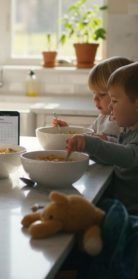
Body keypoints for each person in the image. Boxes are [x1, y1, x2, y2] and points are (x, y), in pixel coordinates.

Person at [66, 62, 138, 215]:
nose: (111, 107)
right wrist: (88, 149)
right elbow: (115, 159)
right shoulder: (130, 132)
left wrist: (93, 144)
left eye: (115, 101)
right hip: (121, 207)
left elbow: (129, 157)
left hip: (132, 215)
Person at [53, 56, 133, 142]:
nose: (95, 99)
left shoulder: (127, 121)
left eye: (102, 94)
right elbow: (88, 135)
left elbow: (129, 149)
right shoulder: (102, 118)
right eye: (94, 93)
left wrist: (105, 140)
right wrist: (68, 132)